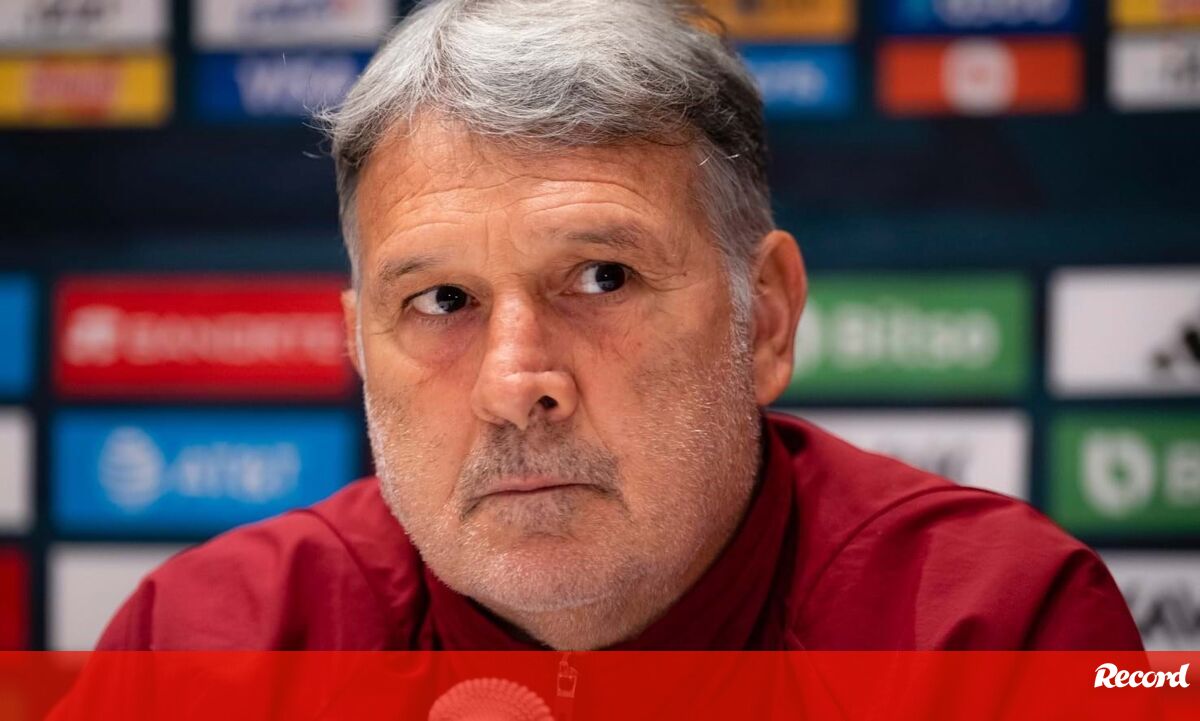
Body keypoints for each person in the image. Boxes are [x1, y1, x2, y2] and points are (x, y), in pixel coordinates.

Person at [96, 0, 1142, 651]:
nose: (517, 385)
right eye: (443, 300)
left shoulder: (997, 630)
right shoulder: (205, 644)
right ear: (360, 346)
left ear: (765, 318)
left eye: (603, 277)